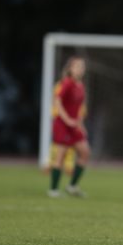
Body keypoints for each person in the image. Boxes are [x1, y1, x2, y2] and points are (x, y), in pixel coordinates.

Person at [48, 56, 91, 198]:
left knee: (85, 152)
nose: (80, 69)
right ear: (70, 69)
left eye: (82, 66)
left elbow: (78, 108)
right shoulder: (67, 83)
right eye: (77, 66)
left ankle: (72, 186)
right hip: (63, 125)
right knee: (61, 155)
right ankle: (53, 190)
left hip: (74, 126)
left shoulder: (80, 85)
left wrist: (80, 125)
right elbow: (57, 101)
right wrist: (66, 119)